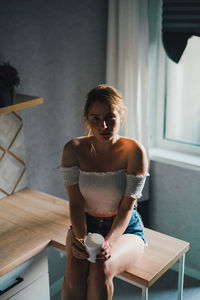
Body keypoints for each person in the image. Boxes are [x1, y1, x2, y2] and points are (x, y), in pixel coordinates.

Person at [61, 84, 149, 300]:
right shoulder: (73, 150)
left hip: (126, 228)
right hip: (85, 223)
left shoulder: (134, 151)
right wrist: (83, 239)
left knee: (100, 270)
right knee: (74, 275)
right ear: (87, 119)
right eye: (95, 118)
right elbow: (75, 204)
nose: (104, 125)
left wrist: (108, 242)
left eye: (110, 117)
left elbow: (127, 206)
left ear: (121, 115)